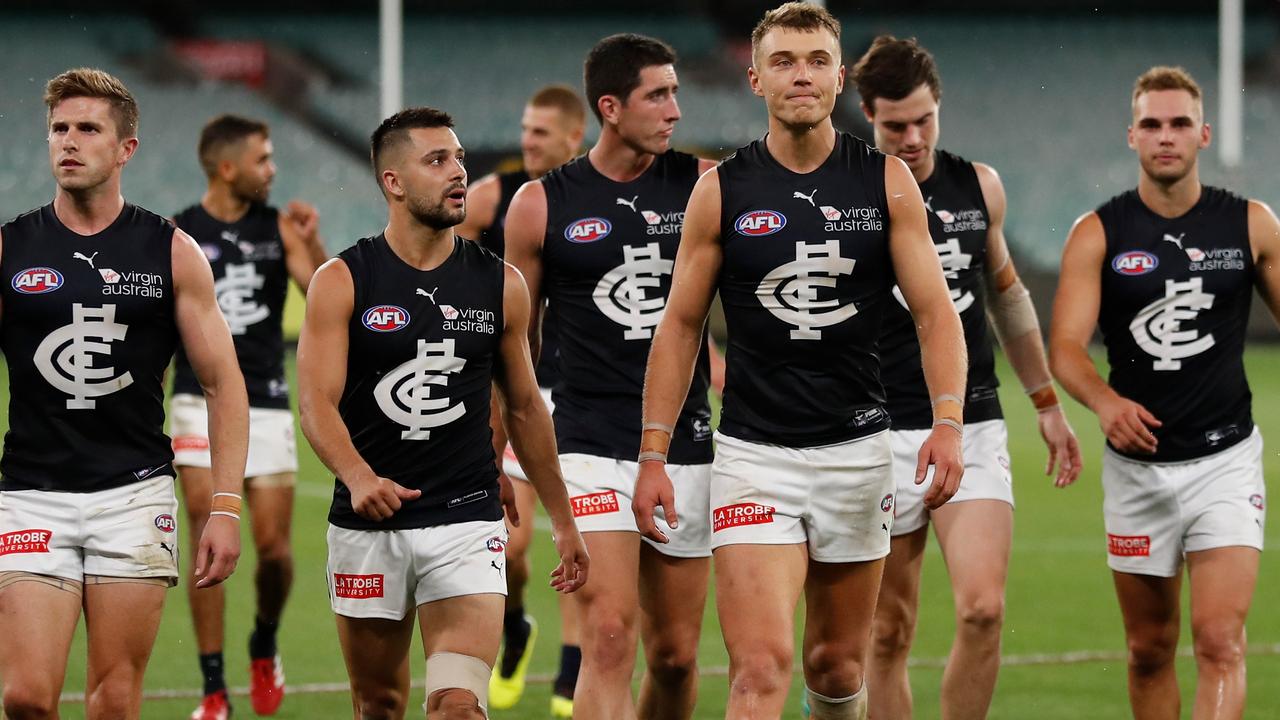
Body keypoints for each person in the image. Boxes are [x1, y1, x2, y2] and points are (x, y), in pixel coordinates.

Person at [636, 5, 968, 719]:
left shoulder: (886, 183)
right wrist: (654, 453)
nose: (801, 75)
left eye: (817, 59)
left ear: (839, 76)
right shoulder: (720, 190)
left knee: (837, 665)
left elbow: (938, 314)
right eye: (783, 61)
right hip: (755, 456)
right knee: (759, 669)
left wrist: (948, 421)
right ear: (754, 78)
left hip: (857, 453)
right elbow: (681, 325)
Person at [297, 106, 589, 720]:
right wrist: (357, 476)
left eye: (458, 158)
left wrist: (562, 519)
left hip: (465, 519)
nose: (459, 172)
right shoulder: (343, 280)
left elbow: (526, 407)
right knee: (378, 704)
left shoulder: (500, 283)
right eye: (437, 161)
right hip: (368, 525)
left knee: (458, 706)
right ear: (393, 182)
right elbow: (316, 404)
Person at [0, 67, 248, 719]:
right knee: (25, 698)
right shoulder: (11, 248)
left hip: (132, 495)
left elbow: (224, 386)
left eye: (88, 128)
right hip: (31, 494)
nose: (69, 142)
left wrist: (224, 506)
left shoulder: (171, 252)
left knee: (114, 703)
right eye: (59, 128)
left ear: (125, 149)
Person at [851, 36, 1083, 720]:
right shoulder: (845, 195)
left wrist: (1045, 402)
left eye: (926, 120)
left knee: (983, 610)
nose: (914, 137)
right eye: (897, 126)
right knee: (887, 631)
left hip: (971, 422)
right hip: (876, 430)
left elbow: (1006, 296)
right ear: (867, 114)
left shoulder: (978, 186)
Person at [503, 33, 719, 720]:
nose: (674, 110)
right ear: (610, 107)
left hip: (686, 445)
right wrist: (489, 452)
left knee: (677, 658)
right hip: (590, 445)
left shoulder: (706, 186)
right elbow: (512, 348)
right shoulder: (540, 206)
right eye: (658, 95)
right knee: (607, 635)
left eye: (675, 92)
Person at [1050, 66, 1274, 720]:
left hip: (1225, 463)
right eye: (1152, 124)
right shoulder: (1098, 232)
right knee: (1149, 648)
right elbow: (1066, 345)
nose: (1166, 136)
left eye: (1179, 124)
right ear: (1132, 136)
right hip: (1137, 474)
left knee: (1219, 640)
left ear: (1203, 134)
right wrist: (1105, 402)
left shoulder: (1250, 226)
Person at [170, 114, 328, 720]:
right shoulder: (180, 233)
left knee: (275, 551)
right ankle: (214, 689)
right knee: (207, 539)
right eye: (263, 159)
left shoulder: (278, 228)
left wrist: (313, 241)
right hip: (195, 400)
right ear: (228, 167)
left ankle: (264, 639)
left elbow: (323, 290)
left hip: (264, 401)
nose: (273, 169)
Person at [455, 84, 587, 716]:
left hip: (583, 396)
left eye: (541, 132)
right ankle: (516, 630)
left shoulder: (595, 199)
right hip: (512, 390)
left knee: (575, 537)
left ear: (574, 139)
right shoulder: (489, 199)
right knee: (509, 547)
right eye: (525, 129)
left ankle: (571, 676)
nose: (528, 141)